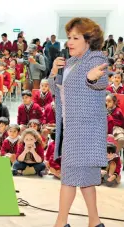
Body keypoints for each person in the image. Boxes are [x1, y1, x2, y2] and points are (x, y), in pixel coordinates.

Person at [49, 17, 108, 227]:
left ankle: (61, 222)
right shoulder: (72, 62)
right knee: (86, 178)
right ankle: (95, 221)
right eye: (69, 37)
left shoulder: (95, 58)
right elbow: (58, 92)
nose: (69, 42)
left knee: (69, 177)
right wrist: (54, 72)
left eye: (75, 38)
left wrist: (92, 78)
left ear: (88, 40)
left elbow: (101, 80)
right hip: (72, 126)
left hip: (85, 129)